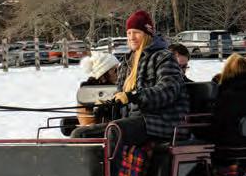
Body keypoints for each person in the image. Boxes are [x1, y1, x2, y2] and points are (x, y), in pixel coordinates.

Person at [71, 10, 188, 149]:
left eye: (136, 32)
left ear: (147, 33)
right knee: (80, 134)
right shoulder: (127, 62)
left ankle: (114, 164)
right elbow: (122, 98)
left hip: (161, 122)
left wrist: (134, 96)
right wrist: (108, 106)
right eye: (129, 33)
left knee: (114, 132)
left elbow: (168, 91)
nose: (132, 37)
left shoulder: (163, 57)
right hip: (135, 121)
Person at [62, 50, 121, 134]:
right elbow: (89, 123)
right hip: (99, 133)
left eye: (119, 69)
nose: (118, 73)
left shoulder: (111, 88)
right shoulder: (89, 92)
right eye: (115, 70)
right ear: (103, 74)